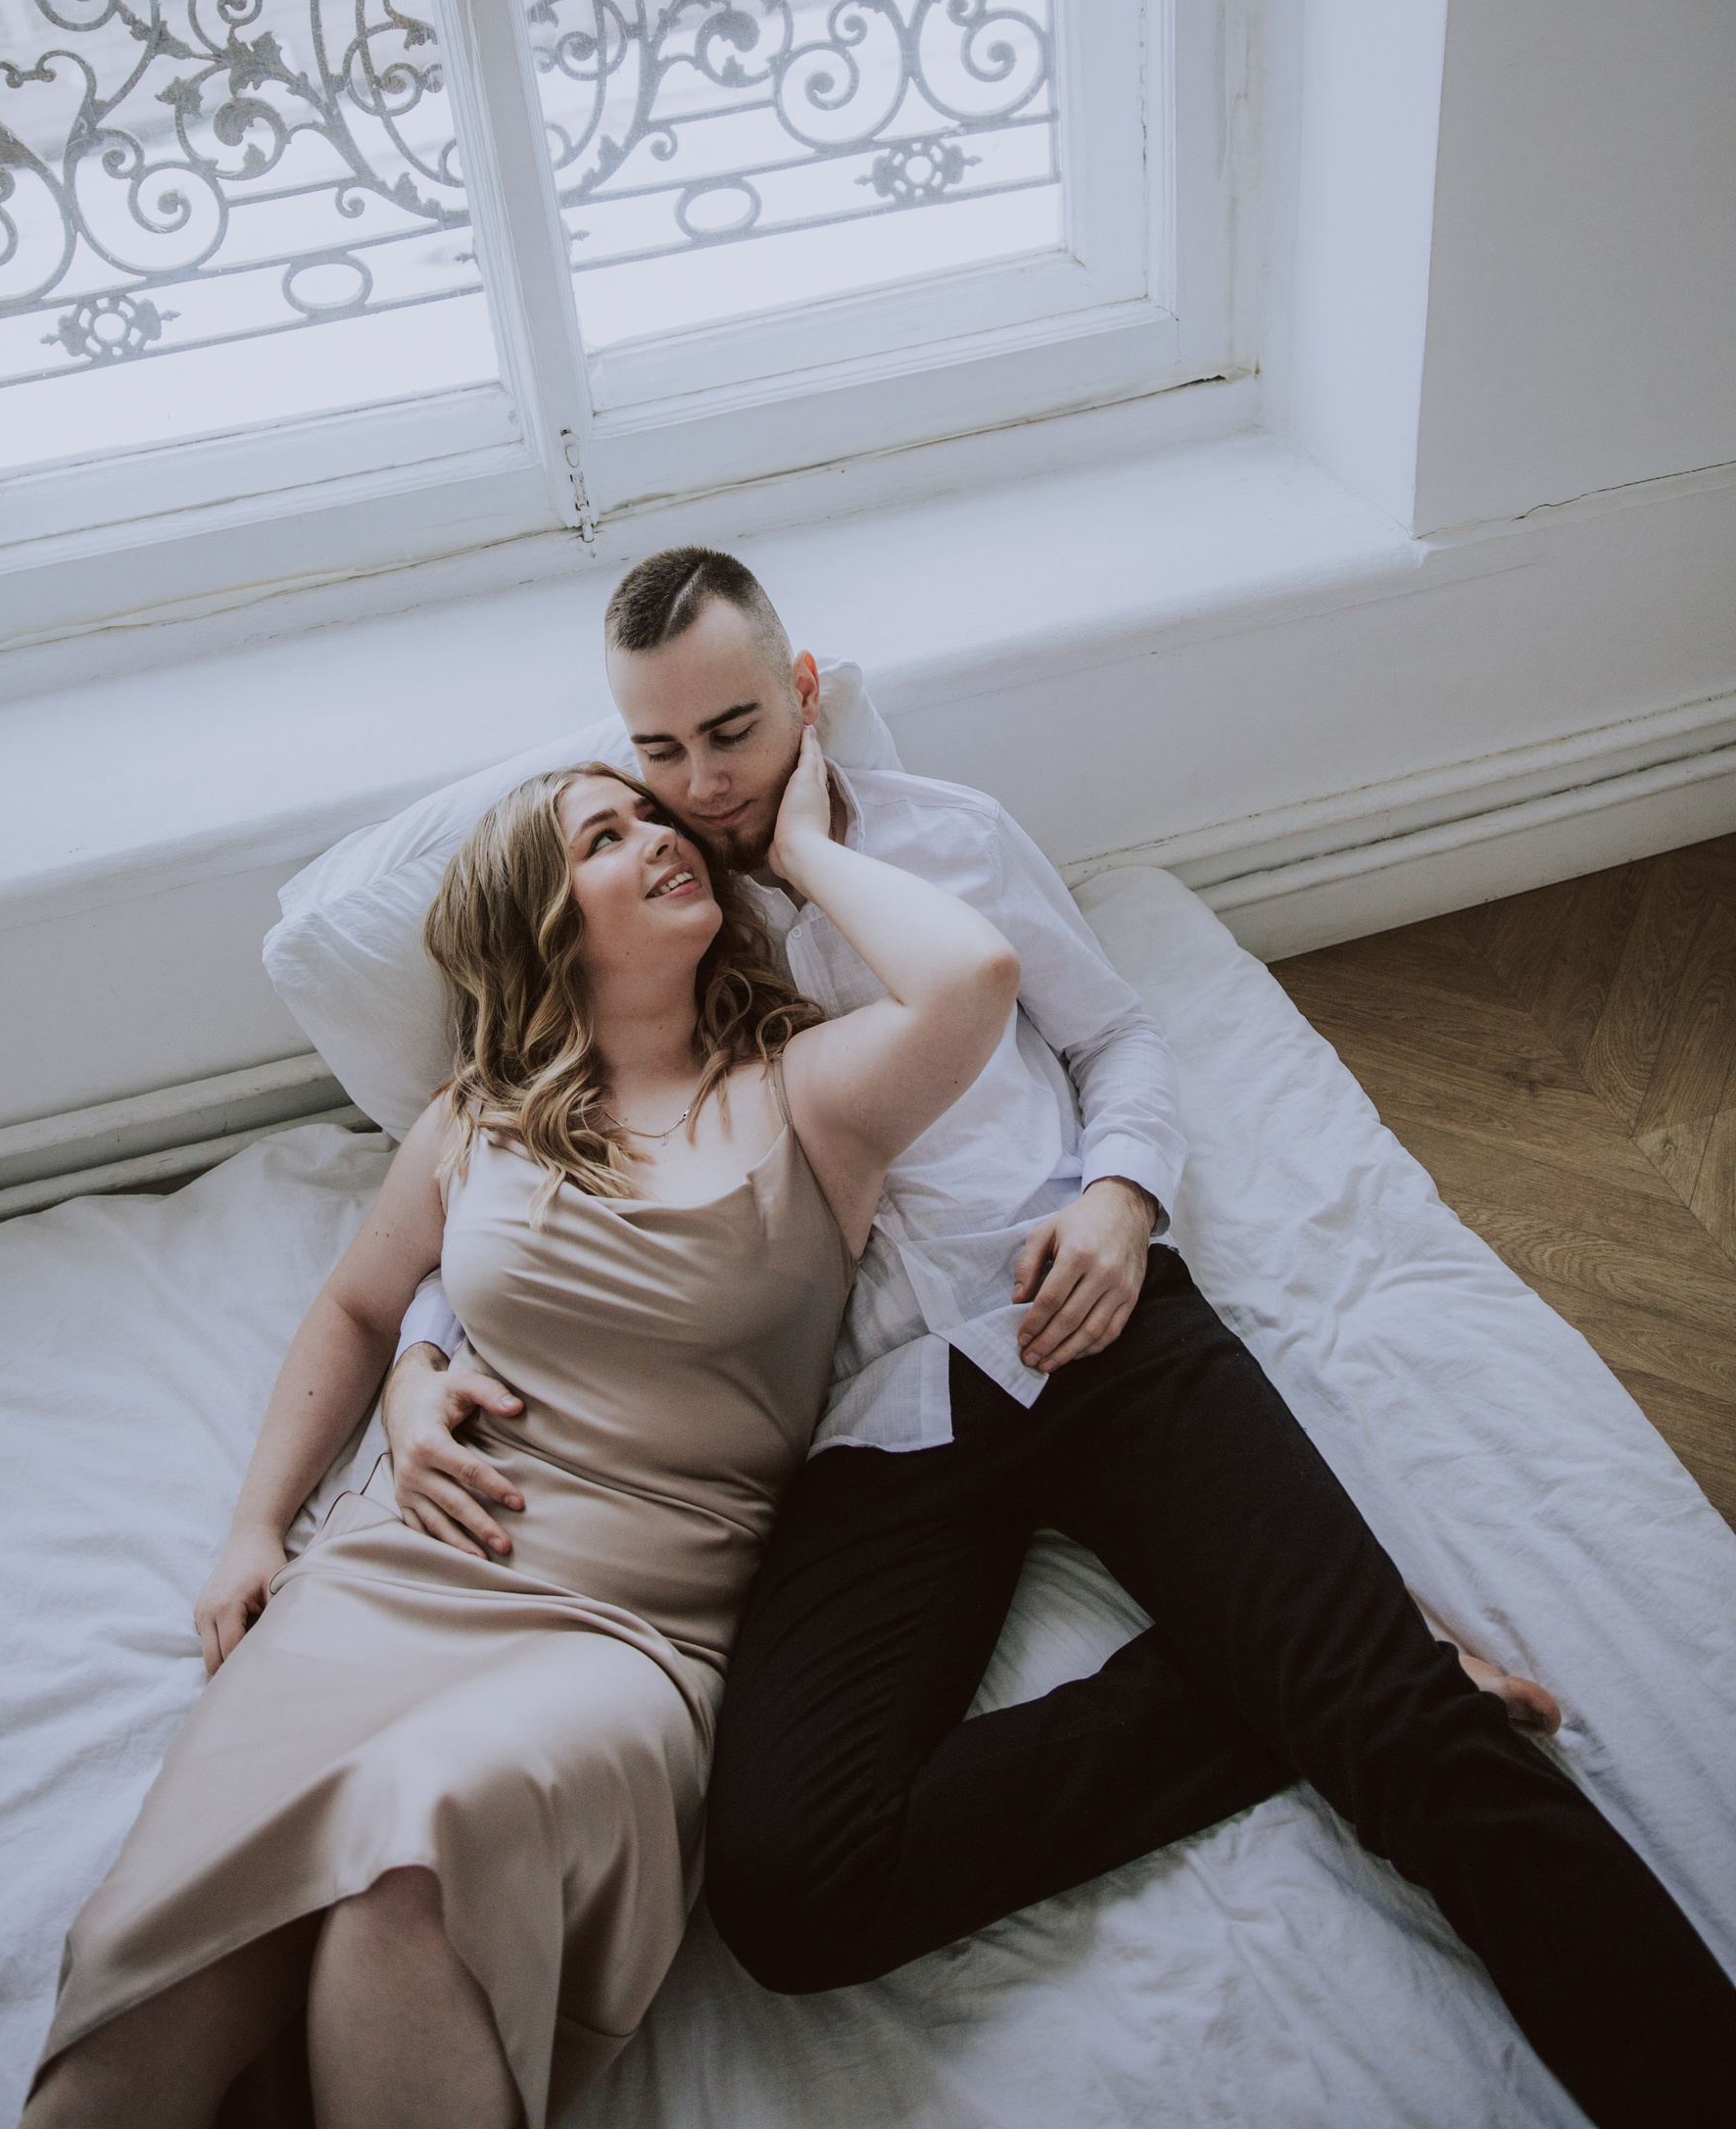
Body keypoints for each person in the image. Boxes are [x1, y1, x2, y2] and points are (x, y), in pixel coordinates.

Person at [385, 545, 1736, 2129]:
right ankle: (1266, 1675)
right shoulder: (645, 921)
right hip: (870, 1422)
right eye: (660, 751)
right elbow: (529, 1170)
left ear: (804, 693)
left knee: (1410, 1744)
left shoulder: (949, 840)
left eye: (734, 732)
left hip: (1088, 1320)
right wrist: (421, 1350)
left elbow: (1117, 1037)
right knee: (791, 1887)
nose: (702, 785)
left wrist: (1121, 1199)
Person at [22, 732, 1023, 2129]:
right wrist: (255, 1527)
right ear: (544, 927)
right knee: (146, 1976)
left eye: (651, 819)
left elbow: (974, 979)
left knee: (418, 1867)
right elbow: (359, 1309)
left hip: (632, 1628)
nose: (657, 837)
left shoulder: (805, 1092)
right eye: (602, 841)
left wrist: (794, 848)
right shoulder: (475, 1121)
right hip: (395, 1578)